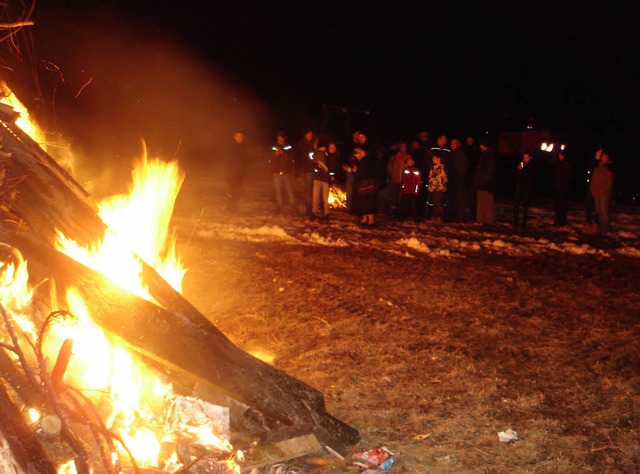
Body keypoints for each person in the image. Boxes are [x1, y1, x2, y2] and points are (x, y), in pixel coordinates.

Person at [269, 131, 296, 216]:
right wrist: (275, 155)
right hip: (276, 173)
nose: (279, 139)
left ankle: (293, 209)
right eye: (278, 137)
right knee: (278, 192)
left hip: (286, 173)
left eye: (281, 137)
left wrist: (283, 153)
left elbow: (291, 157)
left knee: (289, 192)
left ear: (284, 138)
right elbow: (270, 158)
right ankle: (279, 209)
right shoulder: (274, 146)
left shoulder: (288, 146)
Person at [385, 141, 414, 215]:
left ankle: (401, 212)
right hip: (394, 180)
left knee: (402, 198)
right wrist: (390, 175)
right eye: (401, 146)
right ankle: (392, 213)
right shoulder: (394, 157)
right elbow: (389, 167)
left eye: (404, 146)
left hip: (404, 181)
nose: (403, 148)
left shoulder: (409, 157)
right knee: (393, 197)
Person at [589, 151, 615, 235]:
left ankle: (606, 229)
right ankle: (602, 228)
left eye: (605, 156)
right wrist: (593, 189)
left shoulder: (609, 167)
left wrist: (603, 191)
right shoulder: (597, 167)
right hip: (596, 192)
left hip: (604, 193)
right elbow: (593, 180)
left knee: (604, 211)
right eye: (602, 156)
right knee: (598, 211)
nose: (604, 158)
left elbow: (609, 182)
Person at [473, 137, 497, 224]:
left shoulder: (487, 155)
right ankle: (483, 219)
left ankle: (485, 220)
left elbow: (489, 171)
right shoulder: (488, 155)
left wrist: (482, 181)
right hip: (484, 183)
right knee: (483, 202)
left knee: (485, 202)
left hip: (485, 184)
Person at [353, 146, 378, 226]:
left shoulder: (367, 161)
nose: (356, 154)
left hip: (367, 184)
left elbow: (363, 173)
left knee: (368, 201)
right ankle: (364, 219)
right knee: (364, 201)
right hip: (364, 184)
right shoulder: (361, 162)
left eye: (358, 152)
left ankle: (370, 220)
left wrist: (355, 171)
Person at [294, 129, 317, 216]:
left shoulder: (310, 144)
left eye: (312, 134)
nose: (311, 135)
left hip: (309, 170)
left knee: (308, 191)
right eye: (310, 134)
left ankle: (307, 209)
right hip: (306, 170)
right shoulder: (302, 145)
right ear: (306, 135)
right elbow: (298, 159)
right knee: (307, 191)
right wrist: (298, 173)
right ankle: (308, 210)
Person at [224, 131, 248, 213]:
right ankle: (229, 206)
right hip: (232, 172)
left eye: (241, 136)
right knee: (231, 190)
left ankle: (234, 206)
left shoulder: (244, 147)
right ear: (234, 137)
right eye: (238, 136)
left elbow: (245, 160)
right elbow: (228, 160)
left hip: (240, 173)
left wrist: (243, 172)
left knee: (237, 191)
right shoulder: (231, 147)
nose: (239, 138)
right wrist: (229, 172)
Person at [512, 151, 535, 230]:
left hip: (527, 187)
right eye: (524, 157)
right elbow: (518, 171)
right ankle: (515, 221)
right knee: (516, 204)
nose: (524, 159)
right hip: (520, 186)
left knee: (525, 206)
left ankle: (524, 223)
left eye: (526, 157)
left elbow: (529, 174)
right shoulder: (522, 163)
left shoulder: (532, 165)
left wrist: (523, 172)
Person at [449, 138, 469, 222]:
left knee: (458, 198)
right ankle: (457, 216)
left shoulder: (459, 155)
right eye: (452, 143)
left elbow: (460, 168)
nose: (452, 145)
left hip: (458, 179)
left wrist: (457, 175)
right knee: (455, 198)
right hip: (456, 179)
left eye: (454, 144)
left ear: (458, 144)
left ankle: (459, 217)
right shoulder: (454, 154)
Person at [552, 147, 573, 226]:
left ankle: (562, 221)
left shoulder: (566, 164)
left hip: (563, 188)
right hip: (557, 187)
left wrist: (564, 185)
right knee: (557, 205)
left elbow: (567, 177)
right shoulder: (558, 164)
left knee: (562, 205)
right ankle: (557, 220)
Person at [311, 142, 331, 221]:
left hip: (320, 178)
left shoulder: (323, 155)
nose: (324, 148)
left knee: (317, 197)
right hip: (322, 178)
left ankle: (315, 212)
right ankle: (325, 213)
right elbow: (325, 167)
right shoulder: (321, 154)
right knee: (324, 198)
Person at [585, 146, 603, 232]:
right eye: (598, 152)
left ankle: (596, 223)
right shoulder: (592, 162)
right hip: (590, 185)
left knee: (597, 206)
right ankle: (589, 222)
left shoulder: (601, 163)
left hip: (598, 187)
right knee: (589, 205)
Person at [427, 152, 448, 223]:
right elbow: (430, 178)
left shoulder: (442, 168)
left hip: (439, 189)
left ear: (439, 159)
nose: (433, 159)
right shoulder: (433, 168)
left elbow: (444, 179)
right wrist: (430, 187)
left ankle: (440, 217)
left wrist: (440, 187)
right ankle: (434, 217)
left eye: (434, 158)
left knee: (439, 203)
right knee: (434, 203)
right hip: (433, 188)